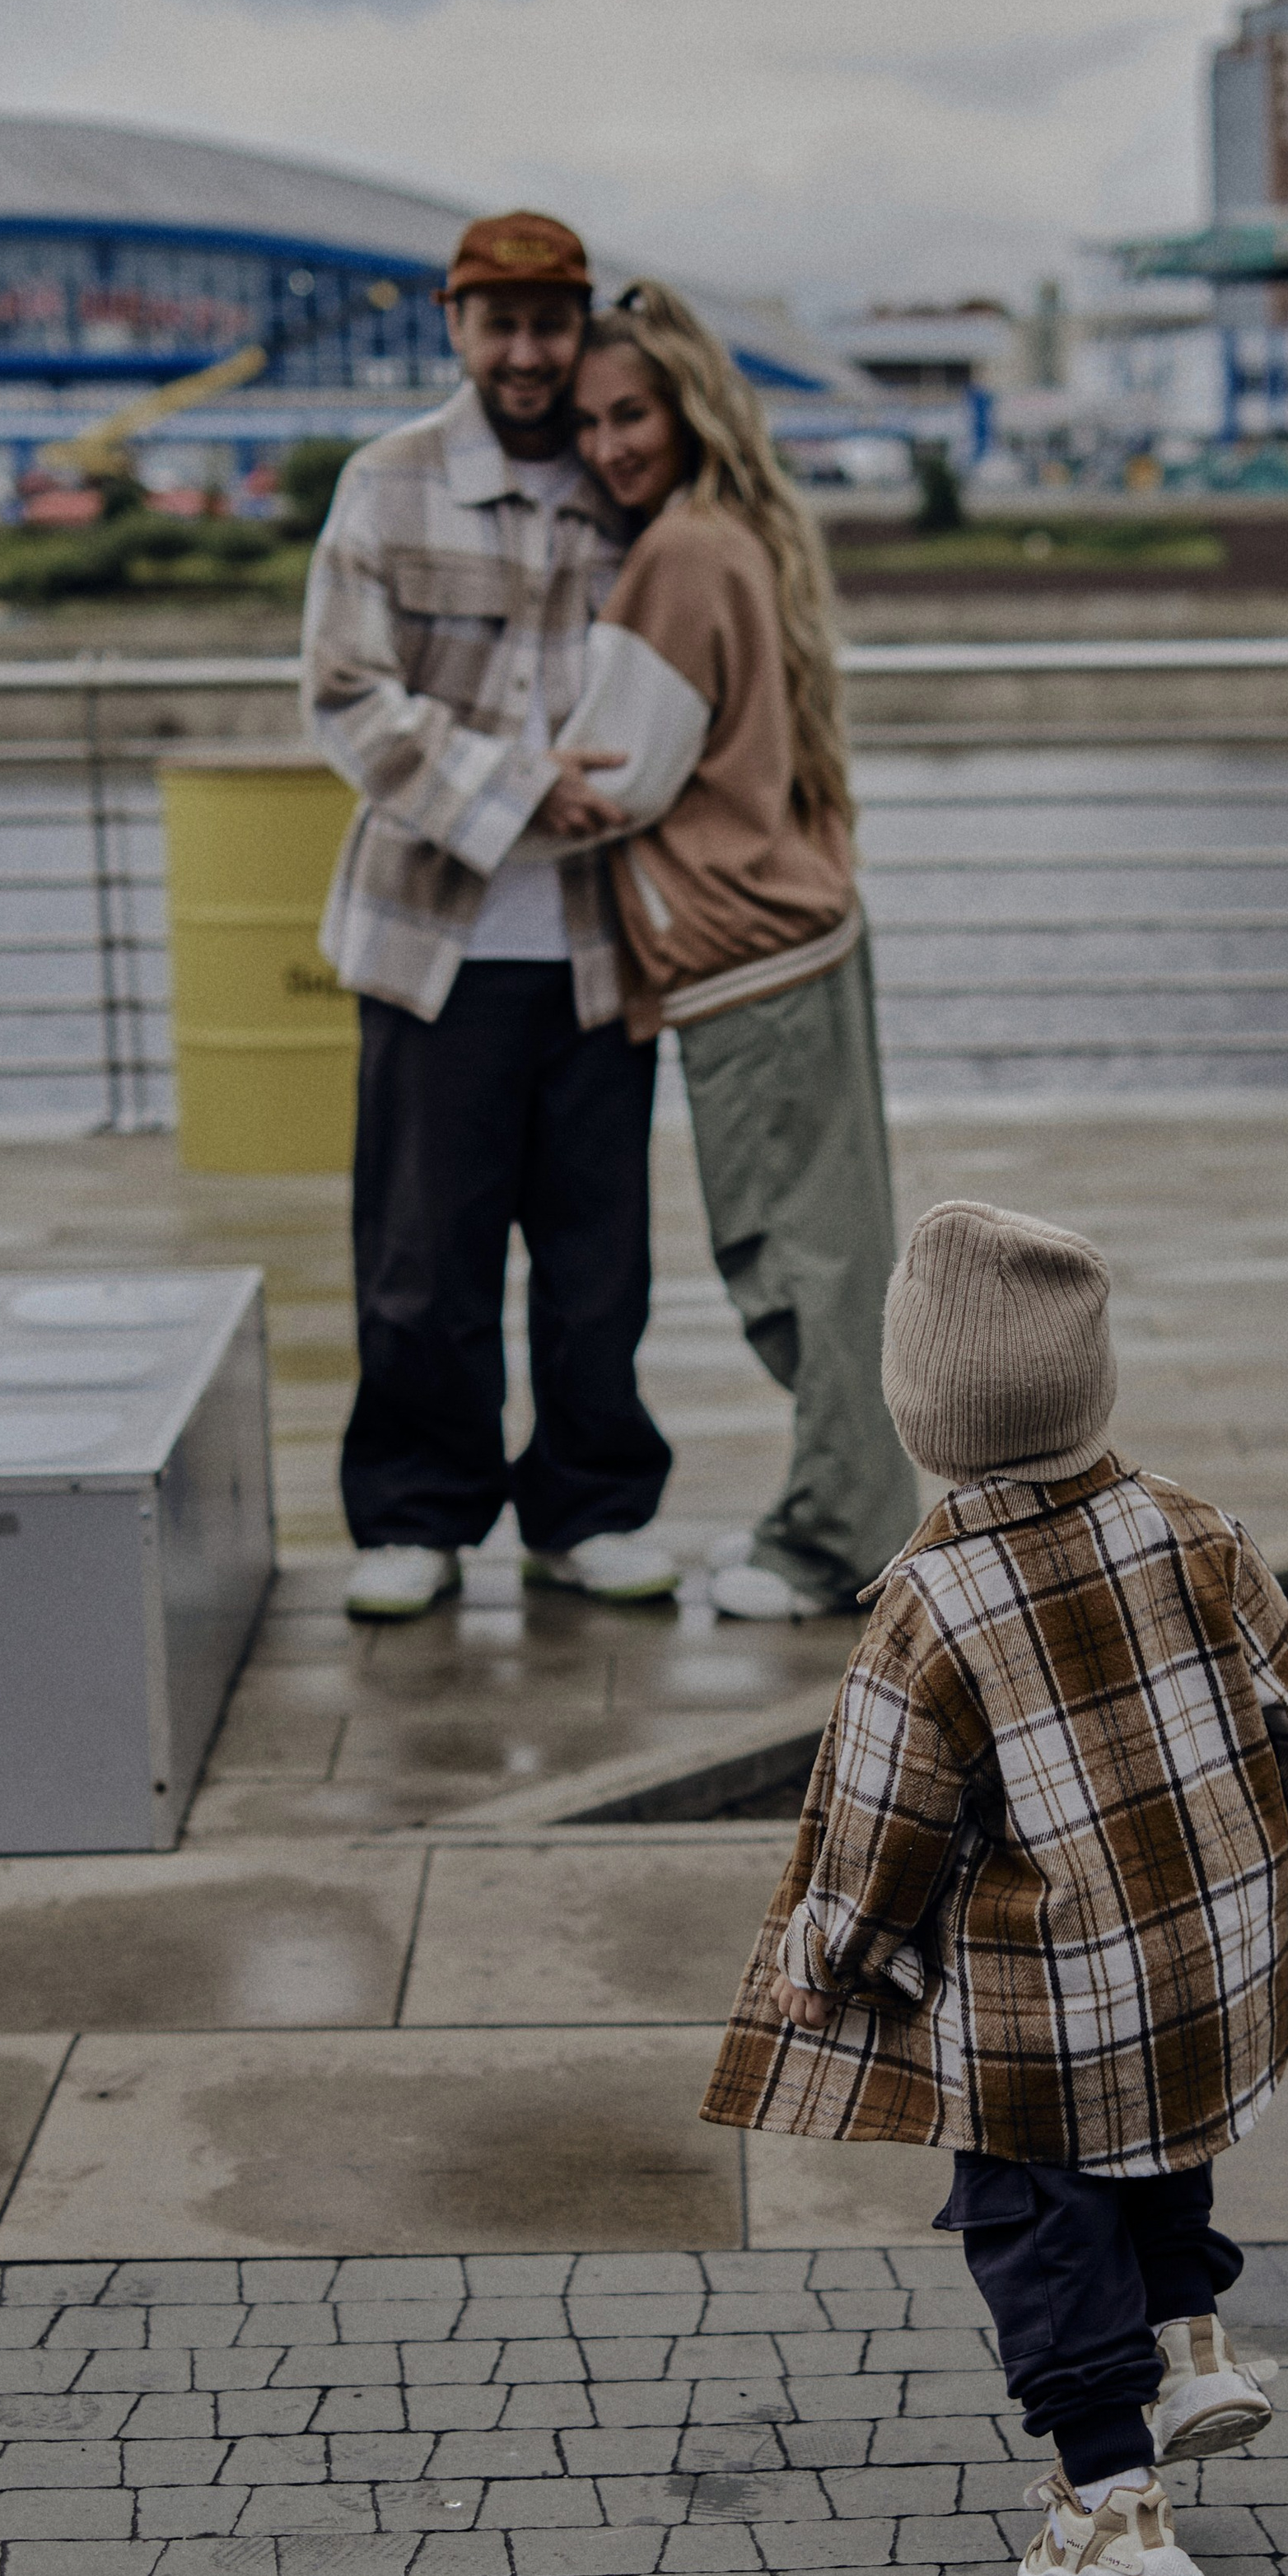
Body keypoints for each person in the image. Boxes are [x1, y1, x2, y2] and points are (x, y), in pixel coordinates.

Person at [700, 1199, 1288, 2576]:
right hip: (1214, 1960)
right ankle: (1191, 2343)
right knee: (1162, 2135)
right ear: (1093, 1386)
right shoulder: (1194, 1527)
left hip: (1047, 2005)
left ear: (917, 1417)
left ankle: (1111, 2510)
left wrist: (833, 1954)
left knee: (1034, 2213)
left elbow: (885, 1826)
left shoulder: (928, 1608)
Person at [301, 211, 681, 1622]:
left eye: (550, 323)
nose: (526, 353)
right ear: (454, 328)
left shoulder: (629, 481)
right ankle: (415, 1515)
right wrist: (521, 791)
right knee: (423, 1259)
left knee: (598, 1264)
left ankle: (589, 1511)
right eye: (498, 322)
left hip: (598, 945)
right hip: (430, 939)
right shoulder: (387, 484)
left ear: (579, 328)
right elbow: (344, 697)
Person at [525, 278, 920, 1619]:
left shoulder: (678, 558)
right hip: (803, 930)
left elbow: (614, 780)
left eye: (629, 412)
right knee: (839, 1250)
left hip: (748, 956)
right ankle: (854, 1521)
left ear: (687, 403)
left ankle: (831, 1544)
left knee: (791, 1262)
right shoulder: (742, 532)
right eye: (589, 422)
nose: (608, 444)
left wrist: (489, 776)